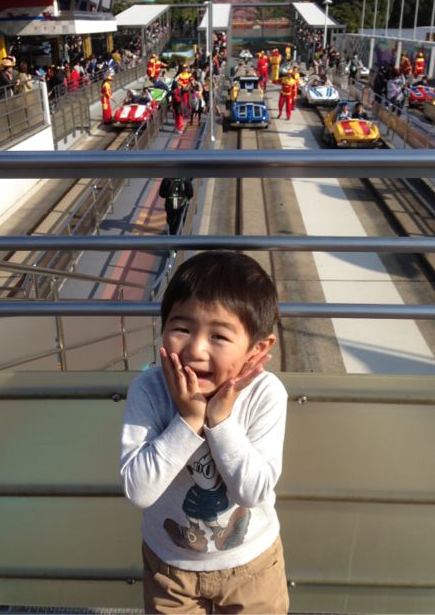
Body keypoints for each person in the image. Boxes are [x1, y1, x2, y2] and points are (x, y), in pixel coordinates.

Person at [120, 250, 289, 614]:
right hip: (170, 567)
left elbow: (253, 492)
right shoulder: (149, 390)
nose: (195, 349)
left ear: (257, 348)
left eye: (219, 336)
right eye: (182, 328)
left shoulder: (266, 394)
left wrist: (220, 421)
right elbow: (139, 491)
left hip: (251, 564)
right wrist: (188, 419)